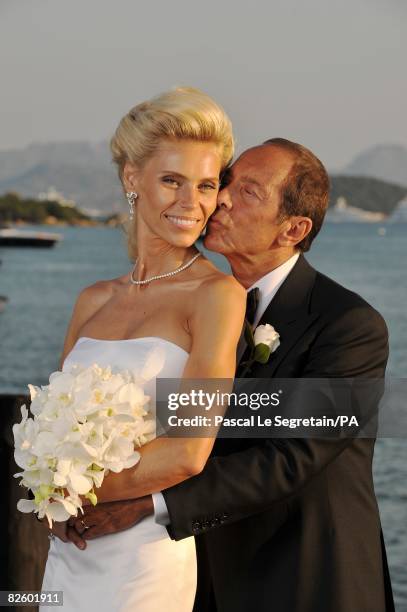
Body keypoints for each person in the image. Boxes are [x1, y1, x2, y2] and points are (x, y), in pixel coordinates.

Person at [69, 138, 395, 612]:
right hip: (192, 578)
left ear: (293, 228)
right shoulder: (194, 309)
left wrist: (148, 503)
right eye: (226, 181)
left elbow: (293, 458)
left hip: (303, 581)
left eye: (249, 192)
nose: (220, 198)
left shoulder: (349, 324)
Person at [39, 87, 246, 612]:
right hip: (66, 552)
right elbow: (52, 426)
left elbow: (190, 450)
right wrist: (46, 485)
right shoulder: (92, 300)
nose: (191, 203)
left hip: (141, 560)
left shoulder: (217, 296)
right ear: (133, 179)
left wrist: (69, 493)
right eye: (171, 181)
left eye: (205, 185)